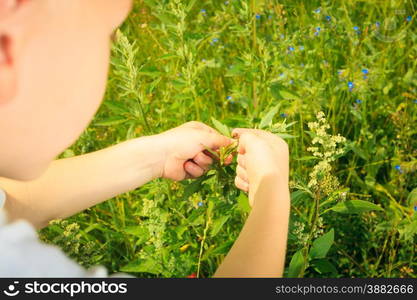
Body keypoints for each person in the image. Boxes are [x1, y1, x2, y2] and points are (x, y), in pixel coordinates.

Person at [0, 0, 290, 277]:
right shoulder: (20, 269)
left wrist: (155, 156)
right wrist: (271, 189)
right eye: (108, 36)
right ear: (7, 46)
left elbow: (11, 204)